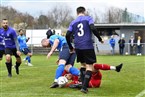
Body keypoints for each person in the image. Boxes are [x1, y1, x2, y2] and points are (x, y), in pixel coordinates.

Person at [66, 6, 103, 93]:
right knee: (89, 66)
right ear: (84, 11)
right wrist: (100, 38)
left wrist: (71, 47)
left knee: (83, 65)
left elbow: (67, 35)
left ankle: (82, 84)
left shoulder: (73, 22)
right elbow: (93, 28)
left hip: (78, 46)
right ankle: (84, 87)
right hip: (87, 45)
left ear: (77, 13)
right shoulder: (88, 18)